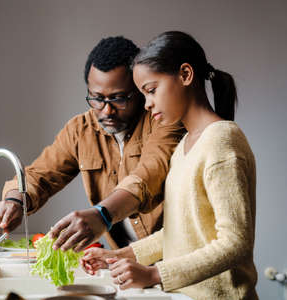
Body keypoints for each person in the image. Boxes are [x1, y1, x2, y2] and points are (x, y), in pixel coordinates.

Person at [81, 31, 258, 300]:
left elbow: (235, 243)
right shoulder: (185, 146)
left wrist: (155, 274)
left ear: (186, 75)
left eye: (151, 90)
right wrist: (118, 257)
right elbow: (180, 234)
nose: (148, 103)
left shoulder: (221, 141)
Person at [0, 36, 185, 251]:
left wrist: (102, 215)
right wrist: (14, 201)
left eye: (119, 98)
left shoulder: (164, 119)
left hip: (173, 260)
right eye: (97, 98)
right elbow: (39, 175)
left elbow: (148, 175)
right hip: (123, 261)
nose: (107, 110)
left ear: (138, 89)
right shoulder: (80, 130)